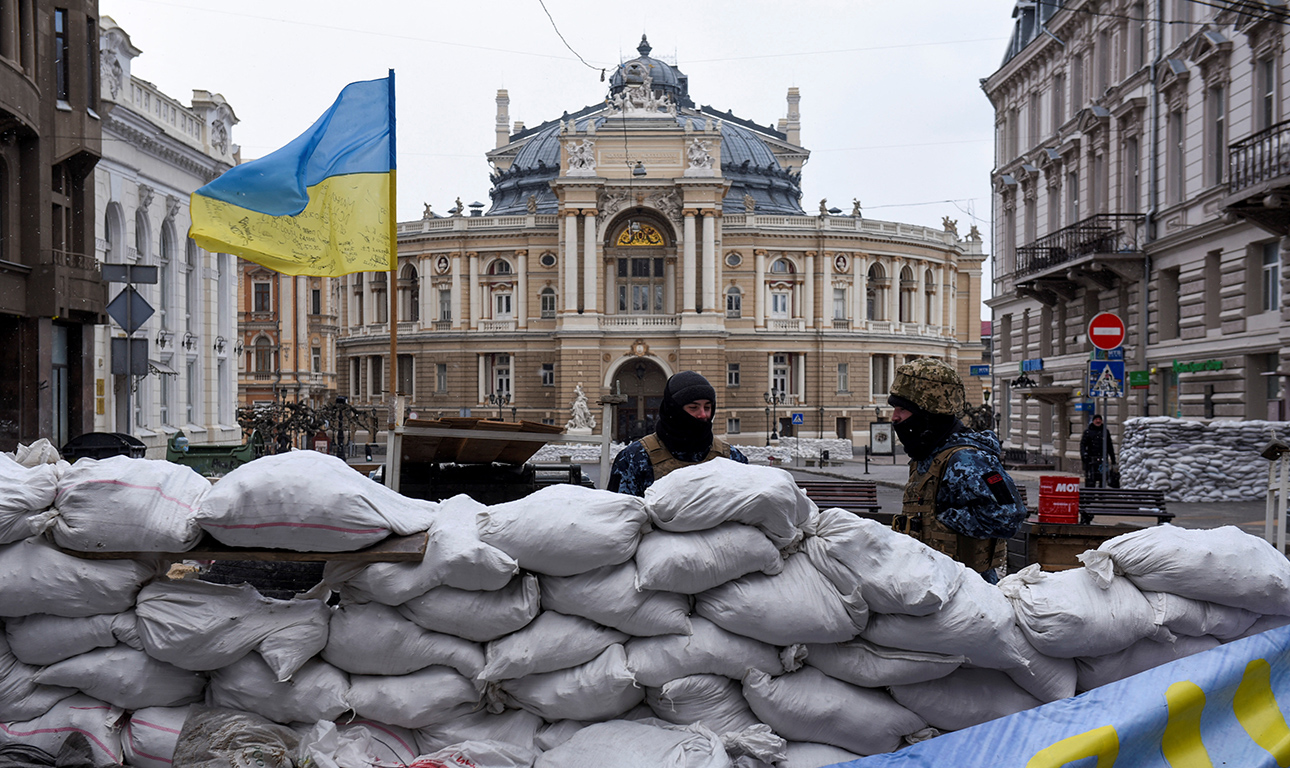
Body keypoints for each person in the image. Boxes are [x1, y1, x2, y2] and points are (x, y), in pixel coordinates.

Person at [887, 358, 1026, 583]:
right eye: (894, 408)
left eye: (902, 409)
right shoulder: (929, 456)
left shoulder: (967, 458)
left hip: (967, 589)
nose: (895, 417)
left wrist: (943, 521)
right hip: (935, 582)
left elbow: (1008, 516)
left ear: (928, 413)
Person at [608, 370, 748, 497]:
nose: (703, 415)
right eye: (693, 407)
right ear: (673, 410)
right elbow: (619, 517)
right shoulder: (634, 459)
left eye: (707, 407)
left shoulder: (731, 458)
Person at [1080, 413, 1116, 487]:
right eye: (1096, 419)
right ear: (1093, 421)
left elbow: (1109, 446)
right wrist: (1084, 455)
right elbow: (1083, 445)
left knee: (1103, 479)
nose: (1098, 421)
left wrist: (1113, 459)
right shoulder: (1088, 432)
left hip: (1103, 459)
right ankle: (1090, 496)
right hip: (1091, 459)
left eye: (1100, 419)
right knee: (1090, 480)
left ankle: (1101, 495)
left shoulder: (1105, 432)